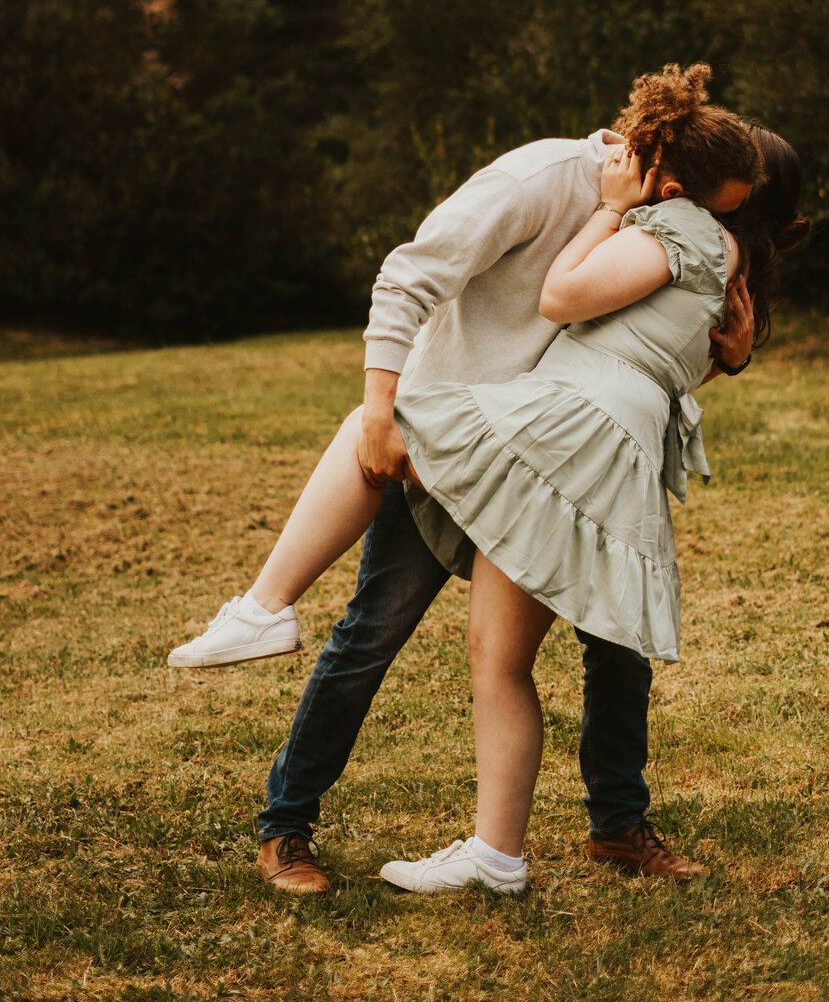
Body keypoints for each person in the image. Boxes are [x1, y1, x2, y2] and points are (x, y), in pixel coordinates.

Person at [170, 67, 788, 894]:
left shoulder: (663, 229)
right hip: (460, 434)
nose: (718, 229)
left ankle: (616, 826)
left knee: (612, 646)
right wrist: (382, 407)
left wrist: (730, 358)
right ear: (678, 180)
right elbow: (409, 275)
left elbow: (644, 358)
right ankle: (287, 825)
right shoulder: (544, 180)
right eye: (722, 212)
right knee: (374, 629)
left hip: (557, 455)